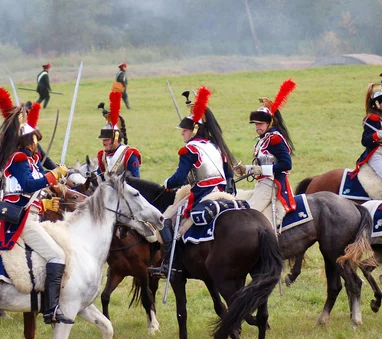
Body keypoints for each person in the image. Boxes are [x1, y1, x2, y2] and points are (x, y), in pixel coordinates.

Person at [0, 87, 72, 324]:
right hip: (24, 221)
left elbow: (29, 192)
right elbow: (27, 184)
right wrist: (54, 175)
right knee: (57, 256)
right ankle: (51, 309)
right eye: (35, 140)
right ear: (30, 140)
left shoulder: (27, 159)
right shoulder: (20, 158)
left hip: (31, 215)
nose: (37, 145)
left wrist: (46, 201)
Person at [149, 86, 236, 277]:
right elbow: (227, 173)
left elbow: (179, 178)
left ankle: (170, 265)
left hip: (203, 193)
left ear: (194, 129)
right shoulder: (215, 146)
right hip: (221, 191)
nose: (182, 134)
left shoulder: (190, 149)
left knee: (165, 220)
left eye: (185, 130)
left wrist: (167, 183)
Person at [234, 79, 297, 229]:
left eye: (260, 124)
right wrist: (246, 169)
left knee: (247, 215)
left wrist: (261, 170)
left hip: (272, 184)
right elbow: (262, 165)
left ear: (270, 123)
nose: (257, 127)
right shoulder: (263, 140)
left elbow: (286, 164)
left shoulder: (274, 139)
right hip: (262, 183)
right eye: (256, 124)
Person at [351, 74, 382, 194]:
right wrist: (380, 135)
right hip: (378, 156)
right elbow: (365, 140)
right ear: (377, 104)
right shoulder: (373, 119)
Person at [97, 93, 140, 178]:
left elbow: (136, 181)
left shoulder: (129, 155)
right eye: (103, 140)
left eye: (106, 140)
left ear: (115, 138)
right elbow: (99, 178)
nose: (103, 143)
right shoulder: (103, 156)